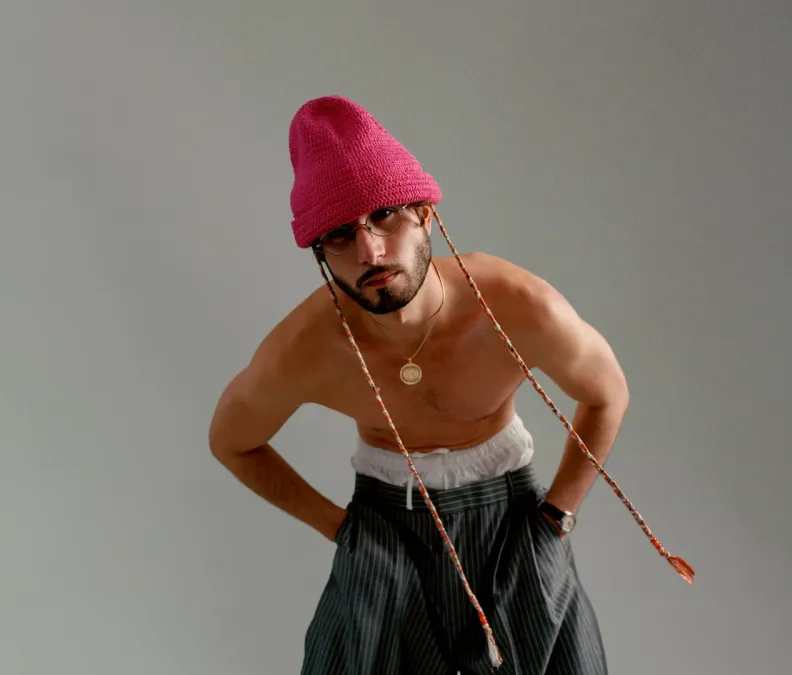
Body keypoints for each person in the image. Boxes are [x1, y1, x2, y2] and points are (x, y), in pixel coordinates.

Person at [207, 95, 691, 675]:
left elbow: (607, 392)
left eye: (384, 216)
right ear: (321, 253)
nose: (370, 251)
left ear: (424, 214)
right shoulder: (306, 347)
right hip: (385, 528)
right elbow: (231, 440)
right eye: (339, 234)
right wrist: (340, 527)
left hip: (512, 522)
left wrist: (558, 516)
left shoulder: (514, 305)